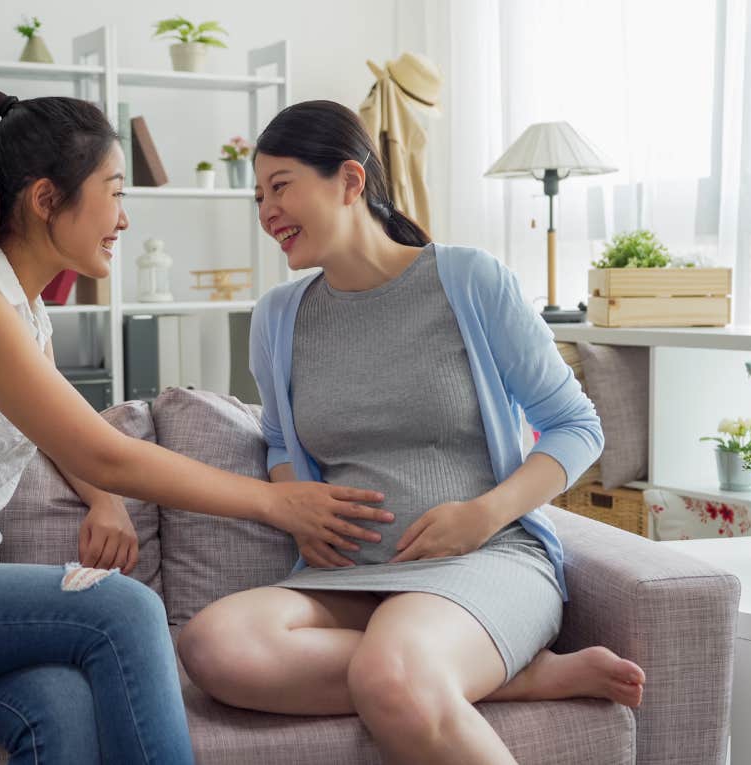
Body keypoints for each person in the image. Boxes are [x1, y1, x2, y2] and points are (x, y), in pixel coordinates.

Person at [0, 88, 391, 765]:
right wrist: (277, 500)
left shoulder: (24, 314)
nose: (123, 218)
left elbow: (55, 425)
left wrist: (102, 500)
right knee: (125, 608)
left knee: (63, 706)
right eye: (114, 192)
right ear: (44, 200)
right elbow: (102, 449)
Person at [175, 100, 647, 764]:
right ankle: (511, 676)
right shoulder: (278, 318)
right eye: (258, 197)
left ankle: (433, 666)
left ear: (349, 180)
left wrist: (482, 515)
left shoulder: (467, 281)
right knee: (212, 644)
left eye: (280, 186)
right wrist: (299, 506)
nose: (266, 212)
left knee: (390, 673)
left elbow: (575, 426)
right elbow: (281, 440)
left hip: (483, 563)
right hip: (349, 579)